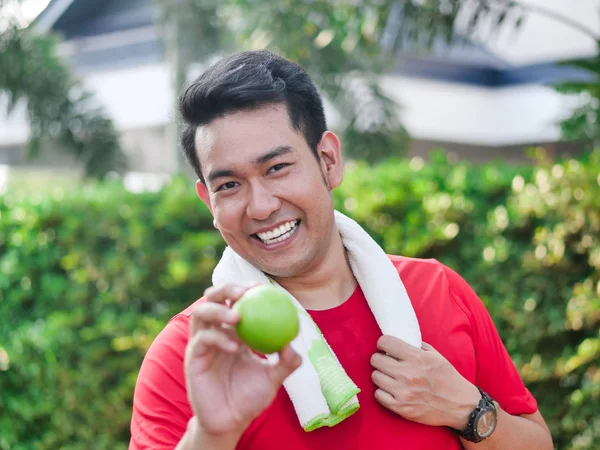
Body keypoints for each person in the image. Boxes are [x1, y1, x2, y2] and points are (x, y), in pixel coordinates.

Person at [129, 50, 553, 450]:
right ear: (210, 203)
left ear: (328, 160)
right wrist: (211, 434)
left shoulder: (438, 291)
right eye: (229, 186)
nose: (260, 206)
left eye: (277, 168)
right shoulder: (191, 354)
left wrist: (467, 410)